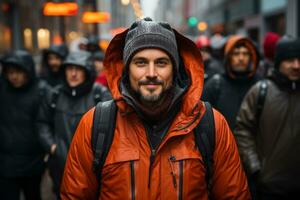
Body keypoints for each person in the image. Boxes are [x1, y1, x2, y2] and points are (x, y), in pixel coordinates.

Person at [60, 18, 250, 199]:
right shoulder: (95, 125)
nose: (151, 73)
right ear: (127, 70)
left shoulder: (211, 125)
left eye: (161, 63)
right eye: (140, 62)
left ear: (175, 69)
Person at [37, 51, 111, 199]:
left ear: (87, 72)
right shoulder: (55, 95)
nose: (73, 74)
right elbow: (42, 122)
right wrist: (52, 147)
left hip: (93, 167)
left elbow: (113, 127)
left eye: (78, 69)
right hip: (61, 165)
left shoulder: (99, 94)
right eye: (70, 69)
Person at [234, 36, 300, 199]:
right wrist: (255, 168)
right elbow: (243, 131)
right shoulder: (261, 91)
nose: (296, 65)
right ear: (278, 62)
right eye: (290, 60)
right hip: (269, 188)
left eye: (299, 60)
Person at [0, 50, 45, 200]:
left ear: (28, 71)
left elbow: (45, 123)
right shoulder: (2, 89)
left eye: (18, 72)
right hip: (6, 162)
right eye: (10, 72)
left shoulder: (41, 90)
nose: (14, 76)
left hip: (33, 161)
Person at [202, 35, 260, 130]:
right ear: (228, 57)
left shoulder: (260, 85)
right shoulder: (215, 85)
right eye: (236, 54)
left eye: (245, 54)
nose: (241, 58)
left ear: (251, 57)